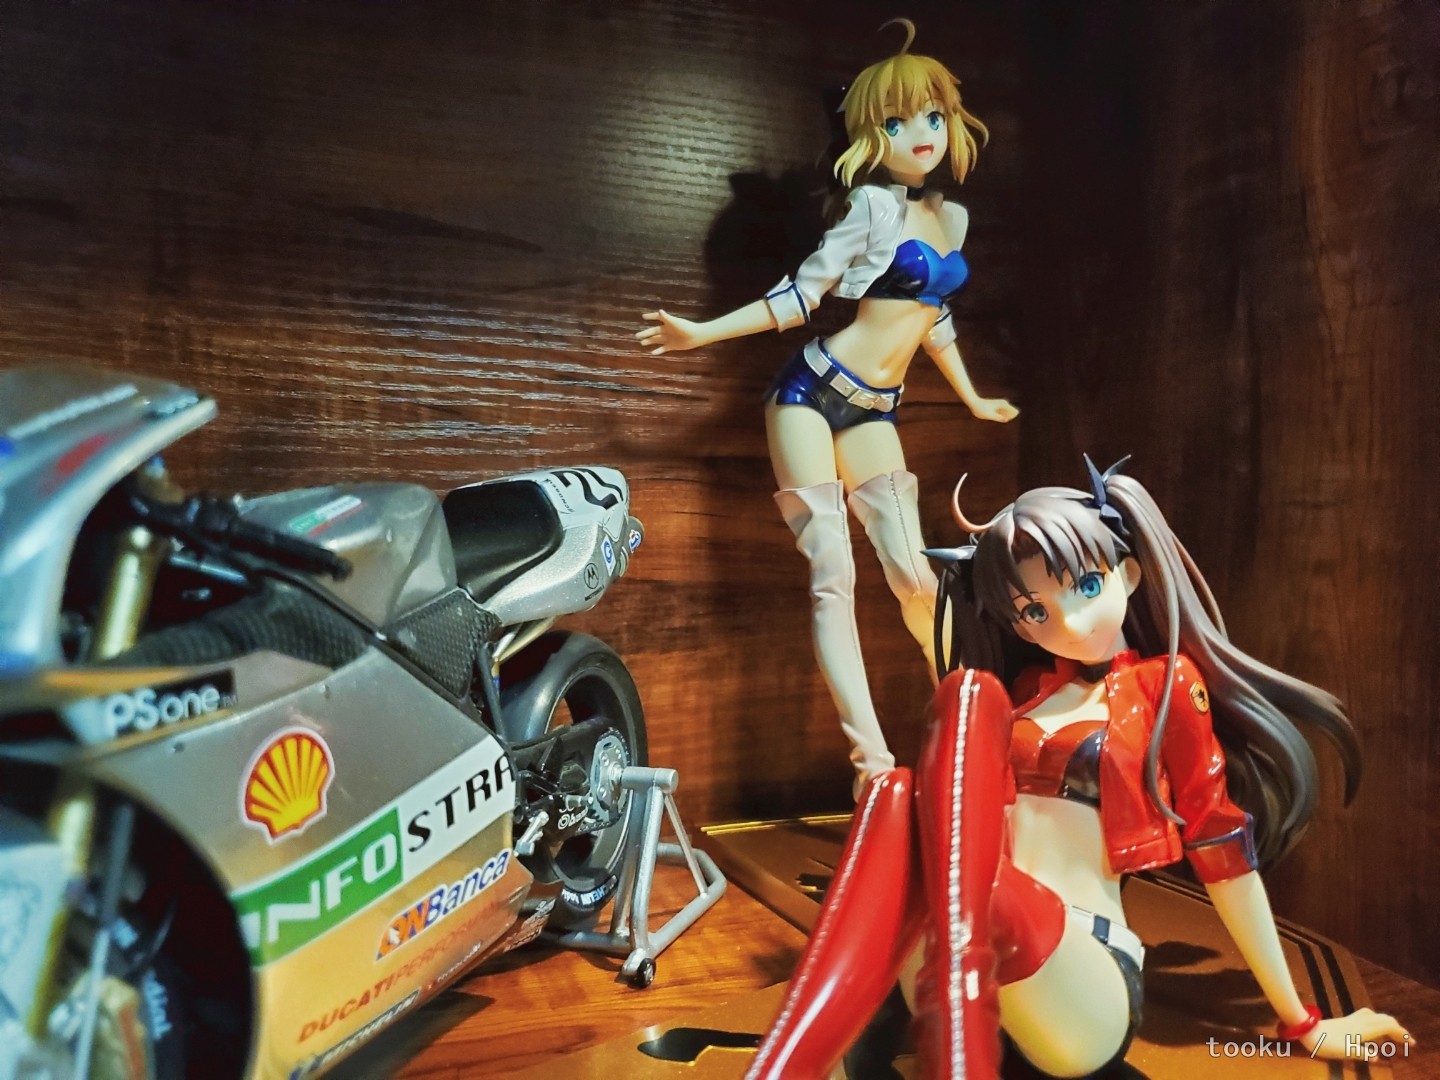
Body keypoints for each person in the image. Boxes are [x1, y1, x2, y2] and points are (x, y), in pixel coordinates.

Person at [745, 458, 1411, 1078]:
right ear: (1017, 625)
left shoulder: (1165, 687)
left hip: (1079, 977)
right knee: (898, 787)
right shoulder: (1022, 695)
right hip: (976, 967)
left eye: (1086, 585)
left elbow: (1220, 850)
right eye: (1035, 610)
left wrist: (1302, 1021)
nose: (1067, 621)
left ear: (1128, 574)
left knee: (969, 848)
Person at [637, 20, 1016, 790]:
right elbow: (798, 297)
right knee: (832, 572)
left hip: (875, 408)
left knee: (918, 578)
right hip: (809, 394)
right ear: (868, 134)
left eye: (933, 116)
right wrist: (701, 333)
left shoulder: (951, 218)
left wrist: (975, 398)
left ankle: (972, 737)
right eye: (897, 122)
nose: (922, 133)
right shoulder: (871, 209)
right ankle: (871, 766)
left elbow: (932, 319)